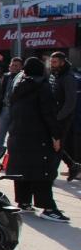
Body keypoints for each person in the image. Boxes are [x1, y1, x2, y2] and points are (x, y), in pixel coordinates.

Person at [8, 57, 69, 222]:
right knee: (42, 170)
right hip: (38, 135)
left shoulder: (17, 84)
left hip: (18, 133)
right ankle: (48, 207)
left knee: (22, 168)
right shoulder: (43, 86)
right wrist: (56, 136)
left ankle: (24, 201)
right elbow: (48, 113)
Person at [49, 51, 81, 182]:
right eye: (51, 62)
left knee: (56, 145)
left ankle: (52, 173)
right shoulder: (55, 75)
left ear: (62, 62)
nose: (52, 64)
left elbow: (70, 102)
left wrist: (58, 117)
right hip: (54, 116)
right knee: (54, 144)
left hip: (62, 118)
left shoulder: (68, 77)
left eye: (55, 62)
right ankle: (73, 166)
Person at [0, 57, 23, 162]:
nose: (13, 67)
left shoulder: (23, 77)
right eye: (12, 65)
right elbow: (1, 92)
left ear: (21, 67)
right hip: (5, 108)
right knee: (0, 133)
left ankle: (10, 158)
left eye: (16, 65)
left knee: (13, 135)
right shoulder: (6, 76)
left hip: (16, 110)